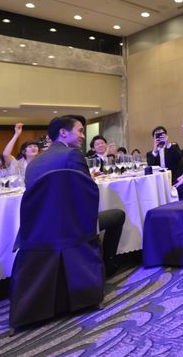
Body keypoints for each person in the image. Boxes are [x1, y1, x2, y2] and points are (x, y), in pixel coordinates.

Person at [25, 116, 126, 277]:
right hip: (69, 225)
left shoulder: (34, 162)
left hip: (39, 227)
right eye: (80, 131)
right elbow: (87, 194)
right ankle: (107, 264)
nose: (83, 136)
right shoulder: (72, 154)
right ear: (63, 132)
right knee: (118, 215)